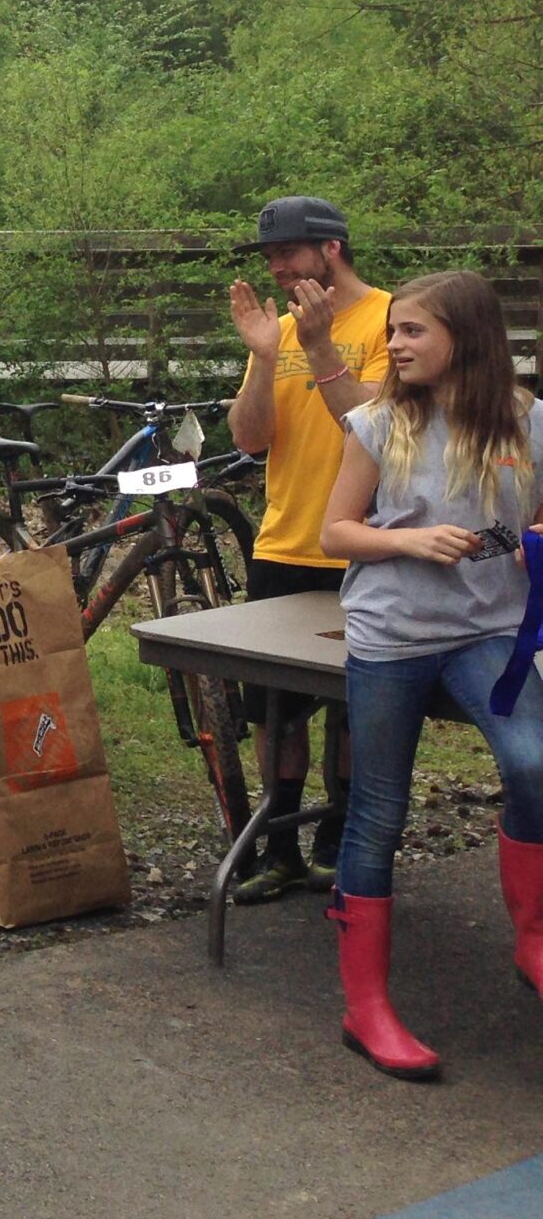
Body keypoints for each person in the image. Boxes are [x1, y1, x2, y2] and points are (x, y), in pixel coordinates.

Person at [317, 270, 543, 1080]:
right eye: (396, 331)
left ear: (468, 338)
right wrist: (410, 541)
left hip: (489, 633)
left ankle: (532, 936)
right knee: (378, 811)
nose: (396, 344)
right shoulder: (377, 423)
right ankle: (365, 1007)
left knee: (536, 765)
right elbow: (334, 531)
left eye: (413, 331)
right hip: (393, 638)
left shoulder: (528, 421)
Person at [225, 196, 387, 901]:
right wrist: (264, 359)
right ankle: (281, 843)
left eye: (288, 253)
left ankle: (339, 840)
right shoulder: (280, 328)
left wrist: (319, 346)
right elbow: (249, 438)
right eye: (269, 258)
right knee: (275, 709)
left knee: (357, 706)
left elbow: (375, 428)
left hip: (364, 543)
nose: (278, 268)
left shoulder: (390, 318)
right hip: (285, 539)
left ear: (331, 248)